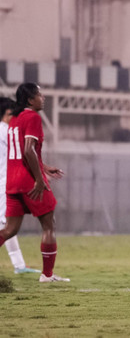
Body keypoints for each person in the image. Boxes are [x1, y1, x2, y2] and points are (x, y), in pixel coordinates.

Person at [0, 83, 68, 282]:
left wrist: (44, 166)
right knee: (49, 225)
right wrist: (40, 179)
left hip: (12, 182)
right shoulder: (32, 117)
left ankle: (44, 273)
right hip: (28, 180)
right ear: (30, 99)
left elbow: (21, 152)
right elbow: (28, 150)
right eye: (39, 94)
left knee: (10, 230)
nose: (43, 97)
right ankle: (47, 275)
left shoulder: (14, 119)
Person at [0, 97, 40, 275]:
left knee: (8, 225)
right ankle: (19, 265)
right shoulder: (5, 131)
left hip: (6, 181)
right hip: (3, 183)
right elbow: (25, 150)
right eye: (13, 113)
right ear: (7, 114)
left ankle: (19, 265)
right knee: (5, 224)